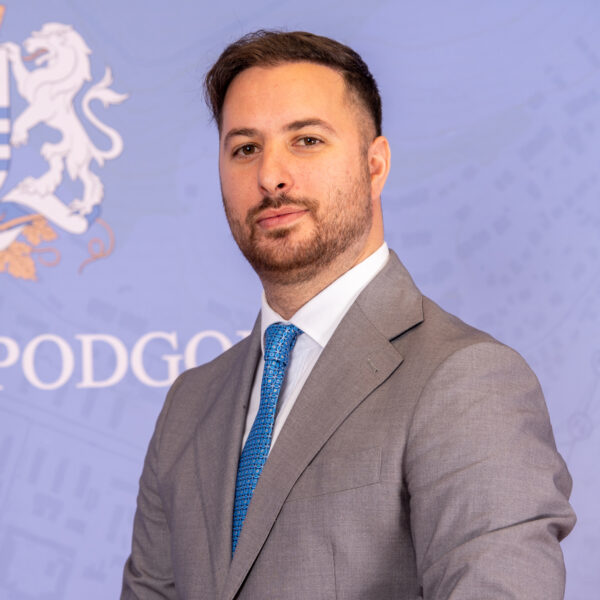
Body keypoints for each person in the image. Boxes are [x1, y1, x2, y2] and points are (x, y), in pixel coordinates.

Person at [121, 30, 575, 599]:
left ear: (375, 165)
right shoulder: (189, 405)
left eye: (307, 140)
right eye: (245, 148)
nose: (271, 175)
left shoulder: (466, 380)